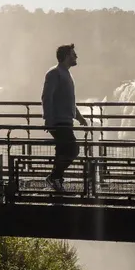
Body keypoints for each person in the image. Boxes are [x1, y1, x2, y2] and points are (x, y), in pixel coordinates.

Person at [41, 43, 88, 192]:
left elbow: (69, 101)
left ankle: (57, 180)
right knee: (72, 149)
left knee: (62, 151)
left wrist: (80, 118)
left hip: (65, 120)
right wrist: (49, 120)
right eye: (73, 54)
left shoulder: (66, 73)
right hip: (58, 121)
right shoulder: (55, 73)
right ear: (67, 56)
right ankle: (54, 177)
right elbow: (47, 97)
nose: (76, 57)